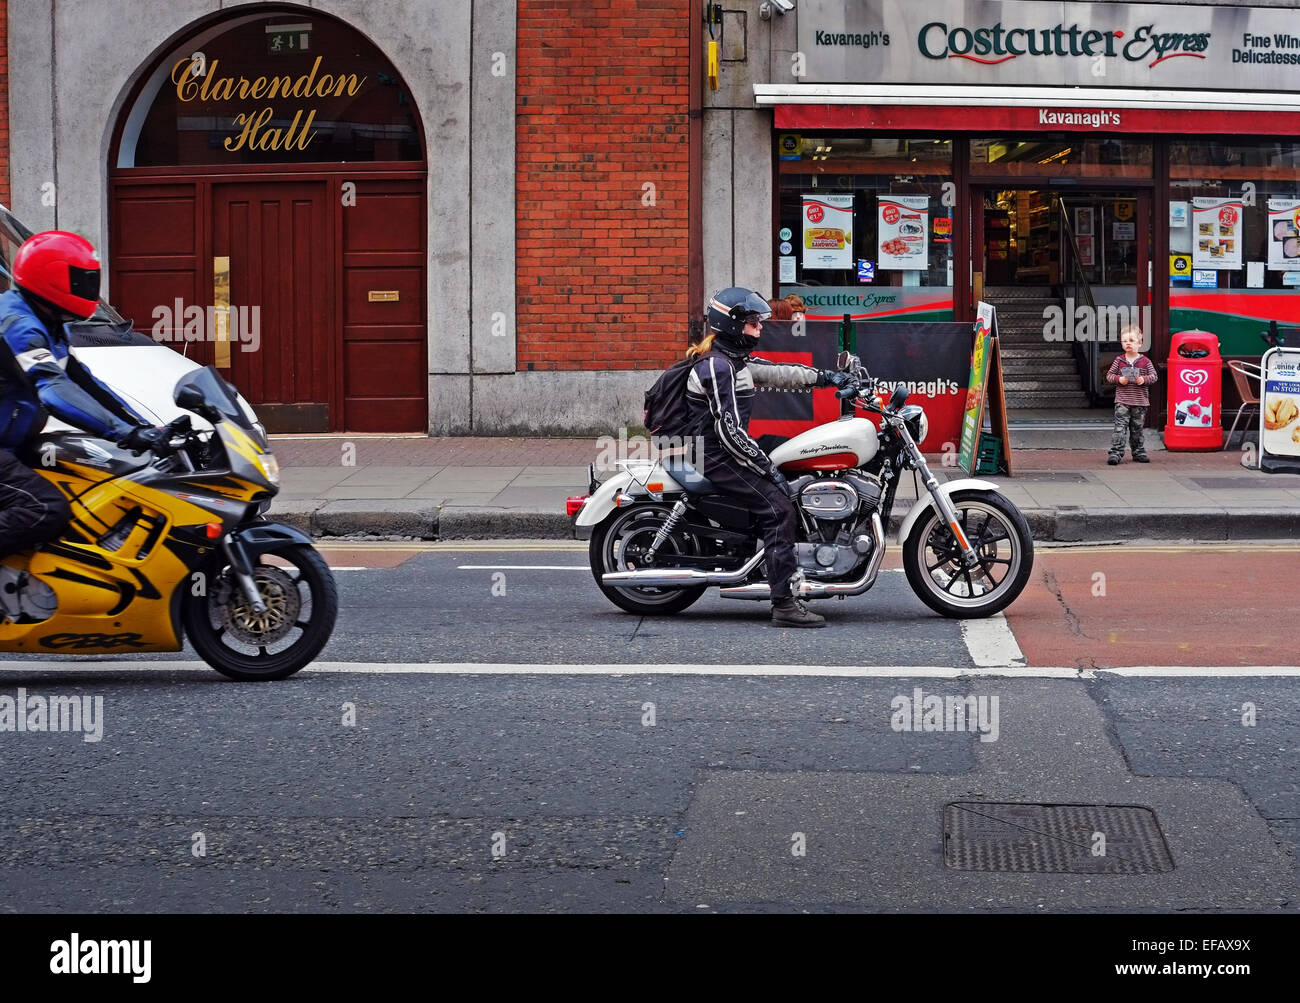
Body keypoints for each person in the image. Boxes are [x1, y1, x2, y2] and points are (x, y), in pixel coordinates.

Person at [685, 287, 849, 628]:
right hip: (714, 454)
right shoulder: (717, 367)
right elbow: (729, 431)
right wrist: (766, 468)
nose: (760, 329)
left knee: (796, 452)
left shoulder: (733, 360)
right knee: (778, 507)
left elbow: (778, 373)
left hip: (724, 446)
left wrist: (827, 378)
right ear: (732, 326)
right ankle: (784, 602)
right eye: (753, 324)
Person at [0, 230, 165, 559]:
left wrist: (147, 428)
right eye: (82, 279)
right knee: (44, 508)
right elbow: (54, 390)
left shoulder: (45, 319)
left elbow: (84, 382)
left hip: (12, 443)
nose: (89, 287)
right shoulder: (18, 323)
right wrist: (126, 433)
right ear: (51, 278)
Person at [1105, 324, 1158, 465]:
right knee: (1119, 428)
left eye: (1131, 340)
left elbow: (1154, 376)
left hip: (1140, 402)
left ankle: (1138, 451)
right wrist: (1119, 379)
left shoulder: (1145, 362)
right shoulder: (1119, 360)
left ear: (1140, 343)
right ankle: (1116, 453)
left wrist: (1144, 379)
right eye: (1124, 341)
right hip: (1122, 401)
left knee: (1137, 429)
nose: (1128, 343)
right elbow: (1109, 376)